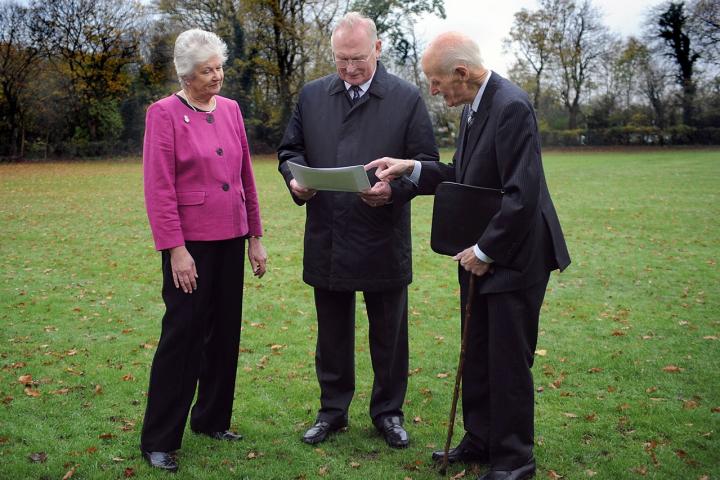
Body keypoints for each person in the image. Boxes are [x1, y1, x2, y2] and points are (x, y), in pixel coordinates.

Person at [366, 32, 571, 480]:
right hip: (480, 256)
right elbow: (463, 175)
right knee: (476, 354)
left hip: (516, 258)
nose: (433, 91)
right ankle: (481, 442)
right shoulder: (475, 109)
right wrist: (411, 168)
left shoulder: (511, 105)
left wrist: (485, 250)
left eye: (436, 82)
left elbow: (522, 194)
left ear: (461, 74)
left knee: (508, 363)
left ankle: (515, 461)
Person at [277, 12, 438, 449]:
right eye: (341, 59)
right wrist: (294, 183)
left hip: (382, 238)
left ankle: (389, 413)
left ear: (378, 49)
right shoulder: (311, 97)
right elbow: (289, 150)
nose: (349, 68)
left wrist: (394, 192)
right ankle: (332, 411)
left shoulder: (406, 98)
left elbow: (429, 164)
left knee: (389, 335)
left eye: (358, 59)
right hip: (327, 236)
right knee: (331, 335)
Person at [140, 28, 267, 472]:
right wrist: (175, 249)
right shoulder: (163, 114)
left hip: (232, 236)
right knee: (183, 337)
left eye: (220, 68)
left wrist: (256, 236)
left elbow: (246, 175)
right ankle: (159, 438)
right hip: (189, 245)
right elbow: (158, 189)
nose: (217, 76)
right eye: (207, 70)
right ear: (186, 74)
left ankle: (212, 420)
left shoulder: (231, 109)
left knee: (224, 334)